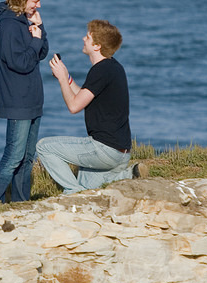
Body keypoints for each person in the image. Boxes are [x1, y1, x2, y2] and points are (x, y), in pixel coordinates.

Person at [36, 19, 138, 194]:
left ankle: (71, 193)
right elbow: (83, 96)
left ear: (97, 46)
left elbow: (74, 106)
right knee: (87, 186)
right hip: (121, 153)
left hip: (104, 149)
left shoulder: (100, 70)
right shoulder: (113, 67)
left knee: (44, 147)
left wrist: (61, 79)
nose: (83, 39)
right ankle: (128, 175)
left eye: (88, 36)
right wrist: (67, 78)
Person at [0, 0, 49, 203]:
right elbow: (20, 63)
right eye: (36, 0)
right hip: (17, 101)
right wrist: (35, 41)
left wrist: (40, 27)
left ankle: (21, 202)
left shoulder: (26, 21)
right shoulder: (9, 26)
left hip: (33, 98)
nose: (39, 5)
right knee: (13, 156)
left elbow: (41, 53)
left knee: (27, 157)